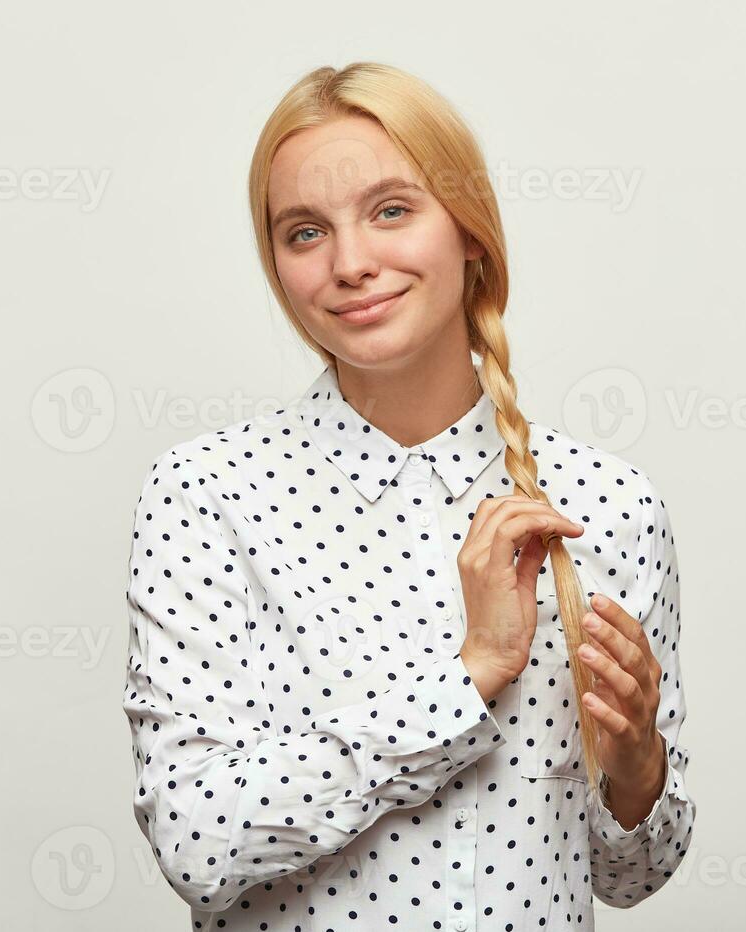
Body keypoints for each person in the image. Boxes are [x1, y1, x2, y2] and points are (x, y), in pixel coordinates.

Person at [122, 61, 694, 928]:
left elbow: (629, 877)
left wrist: (639, 764)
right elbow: (197, 843)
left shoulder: (607, 505)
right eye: (305, 232)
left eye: (391, 210)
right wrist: (467, 679)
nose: (351, 263)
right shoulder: (209, 497)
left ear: (468, 232)